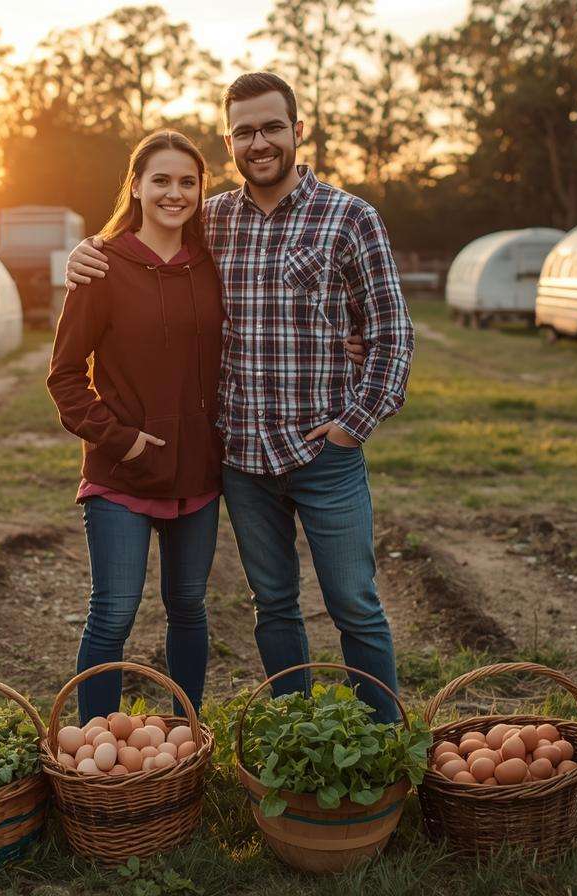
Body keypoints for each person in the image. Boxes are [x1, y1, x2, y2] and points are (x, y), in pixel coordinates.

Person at [66, 73, 415, 721]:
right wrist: (86, 253)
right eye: (245, 131)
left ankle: (385, 741)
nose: (260, 142)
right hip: (243, 461)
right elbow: (145, 248)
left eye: (272, 127)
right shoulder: (215, 220)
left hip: (325, 457)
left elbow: (392, 336)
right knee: (275, 605)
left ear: (297, 131)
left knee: (353, 604)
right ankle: (295, 731)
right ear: (230, 141)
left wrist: (350, 426)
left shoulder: (349, 217)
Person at [47, 131, 223, 723]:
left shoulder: (214, 263)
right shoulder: (103, 266)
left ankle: (186, 733)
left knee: (189, 605)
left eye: (187, 182)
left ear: (201, 190)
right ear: (138, 188)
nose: (174, 193)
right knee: (114, 611)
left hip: (197, 473)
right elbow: (65, 378)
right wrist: (122, 438)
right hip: (121, 474)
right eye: (161, 181)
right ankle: (91, 742)